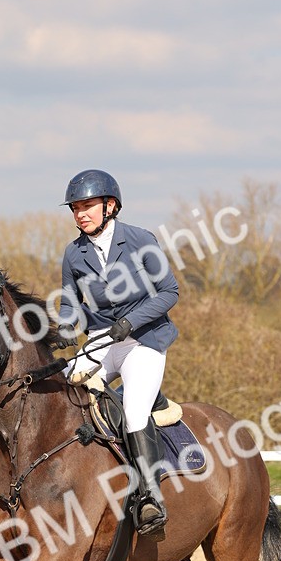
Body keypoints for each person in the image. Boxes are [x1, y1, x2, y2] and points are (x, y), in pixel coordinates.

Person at [57, 168, 178, 535]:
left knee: (133, 409)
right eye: (76, 207)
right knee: (60, 394)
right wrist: (62, 329)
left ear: (111, 206)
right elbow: (68, 302)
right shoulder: (73, 254)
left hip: (144, 341)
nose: (81, 213)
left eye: (88, 205)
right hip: (99, 342)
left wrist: (131, 321)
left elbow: (169, 292)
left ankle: (149, 496)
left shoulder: (141, 240)